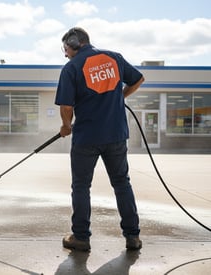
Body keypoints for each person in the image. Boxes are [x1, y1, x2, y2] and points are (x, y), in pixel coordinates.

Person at [55, 27, 145, 251]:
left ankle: (81, 238)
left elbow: (66, 107)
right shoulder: (113, 58)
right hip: (116, 135)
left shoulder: (71, 68)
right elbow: (138, 79)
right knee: (122, 184)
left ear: (74, 43)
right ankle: (132, 236)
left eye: (65, 49)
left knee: (81, 186)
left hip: (86, 138)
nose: (65, 54)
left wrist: (66, 126)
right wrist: (119, 96)